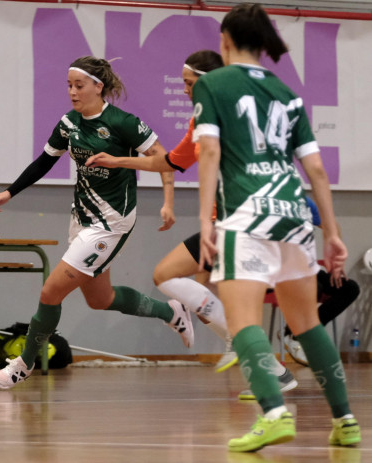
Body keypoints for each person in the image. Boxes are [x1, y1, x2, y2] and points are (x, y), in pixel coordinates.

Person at [194, 3, 360, 451]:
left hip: (246, 217)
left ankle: (273, 413)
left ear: (225, 41)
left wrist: (204, 218)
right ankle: (345, 420)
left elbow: (209, 154)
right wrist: (332, 232)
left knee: (242, 319)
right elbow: (318, 171)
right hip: (293, 213)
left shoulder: (212, 83)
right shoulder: (288, 93)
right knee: (306, 324)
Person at [86, 50, 298, 394]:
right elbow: (169, 161)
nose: (185, 90)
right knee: (185, 287)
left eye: (189, 83)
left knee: (188, 285)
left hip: (245, 222)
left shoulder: (236, 117)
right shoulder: (198, 122)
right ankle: (264, 363)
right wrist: (118, 161)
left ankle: (257, 359)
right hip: (226, 222)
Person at [0, 55, 193, 390]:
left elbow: (164, 159)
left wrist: (168, 203)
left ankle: (24, 365)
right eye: (69, 85)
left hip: (111, 223)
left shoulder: (122, 122)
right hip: (81, 219)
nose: (72, 92)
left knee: (51, 292)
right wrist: (11, 192)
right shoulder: (68, 123)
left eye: (79, 85)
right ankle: (171, 312)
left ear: (99, 86)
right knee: (100, 299)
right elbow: (44, 161)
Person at [281, 196, 360, 366]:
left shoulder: (304, 202)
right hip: (275, 269)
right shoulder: (265, 201)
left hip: (306, 269)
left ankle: (297, 334)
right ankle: (300, 334)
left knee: (349, 288)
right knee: (313, 287)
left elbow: (331, 227)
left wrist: (336, 255)